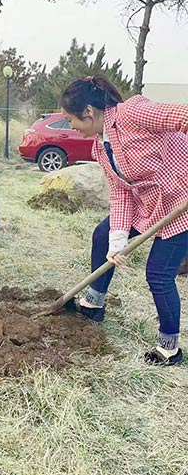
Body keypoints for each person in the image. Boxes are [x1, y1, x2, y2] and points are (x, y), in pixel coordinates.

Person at [60, 76, 188, 365]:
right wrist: (117, 240)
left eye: (71, 120)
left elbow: (182, 116)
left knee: (158, 275)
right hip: (150, 203)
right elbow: (120, 194)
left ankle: (169, 349)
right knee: (102, 235)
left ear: (89, 112)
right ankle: (94, 304)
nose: (71, 127)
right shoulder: (99, 146)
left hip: (181, 203)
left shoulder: (133, 113)